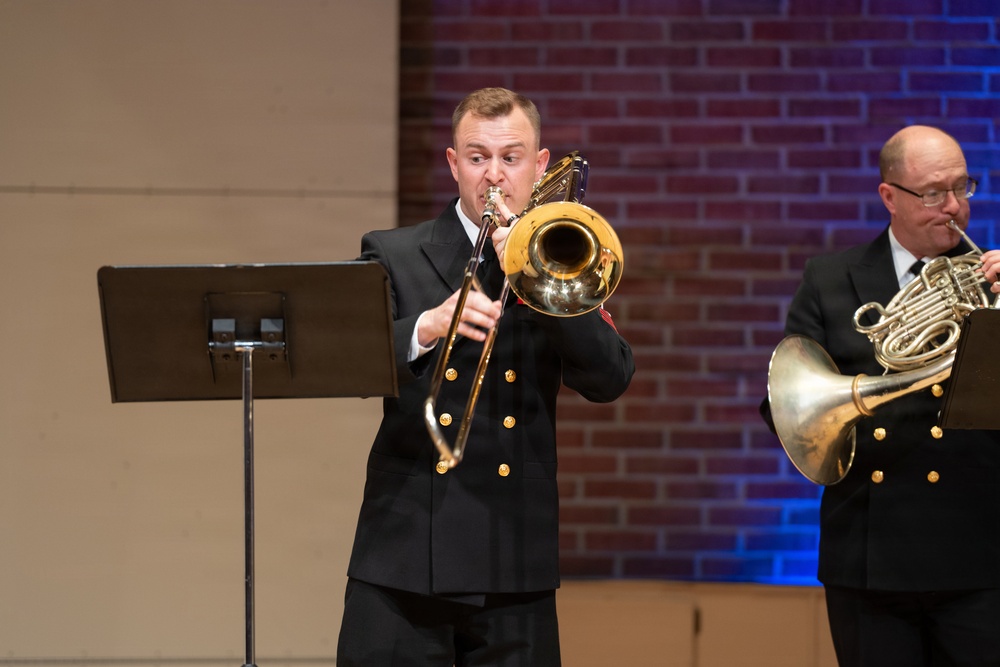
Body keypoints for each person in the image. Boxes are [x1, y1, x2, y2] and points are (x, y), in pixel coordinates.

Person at [336, 87, 634, 666]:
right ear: (453, 164)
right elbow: (346, 357)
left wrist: (540, 281)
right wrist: (427, 324)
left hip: (513, 559)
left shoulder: (562, 257)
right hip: (403, 559)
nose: (493, 177)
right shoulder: (394, 252)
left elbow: (610, 377)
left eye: (510, 158)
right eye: (477, 158)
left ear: (540, 165)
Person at [765, 125, 1000, 666]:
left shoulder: (994, 280)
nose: (954, 208)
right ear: (889, 197)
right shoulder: (830, 278)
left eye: (964, 187)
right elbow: (789, 402)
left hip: (980, 551)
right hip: (870, 555)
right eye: (934, 193)